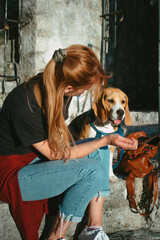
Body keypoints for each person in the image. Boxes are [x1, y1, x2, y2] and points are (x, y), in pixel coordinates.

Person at [0, 44, 138, 240]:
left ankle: (93, 228)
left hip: (39, 156)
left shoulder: (61, 89)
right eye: (84, 90)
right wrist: (105, 139)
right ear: (70, 87)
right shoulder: (24, 103)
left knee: (97, 148)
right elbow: (55, 155)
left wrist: (106, 140)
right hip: (14, 172)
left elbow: (57, 141)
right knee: (93, 167)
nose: (84, 94)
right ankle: (55, 237)